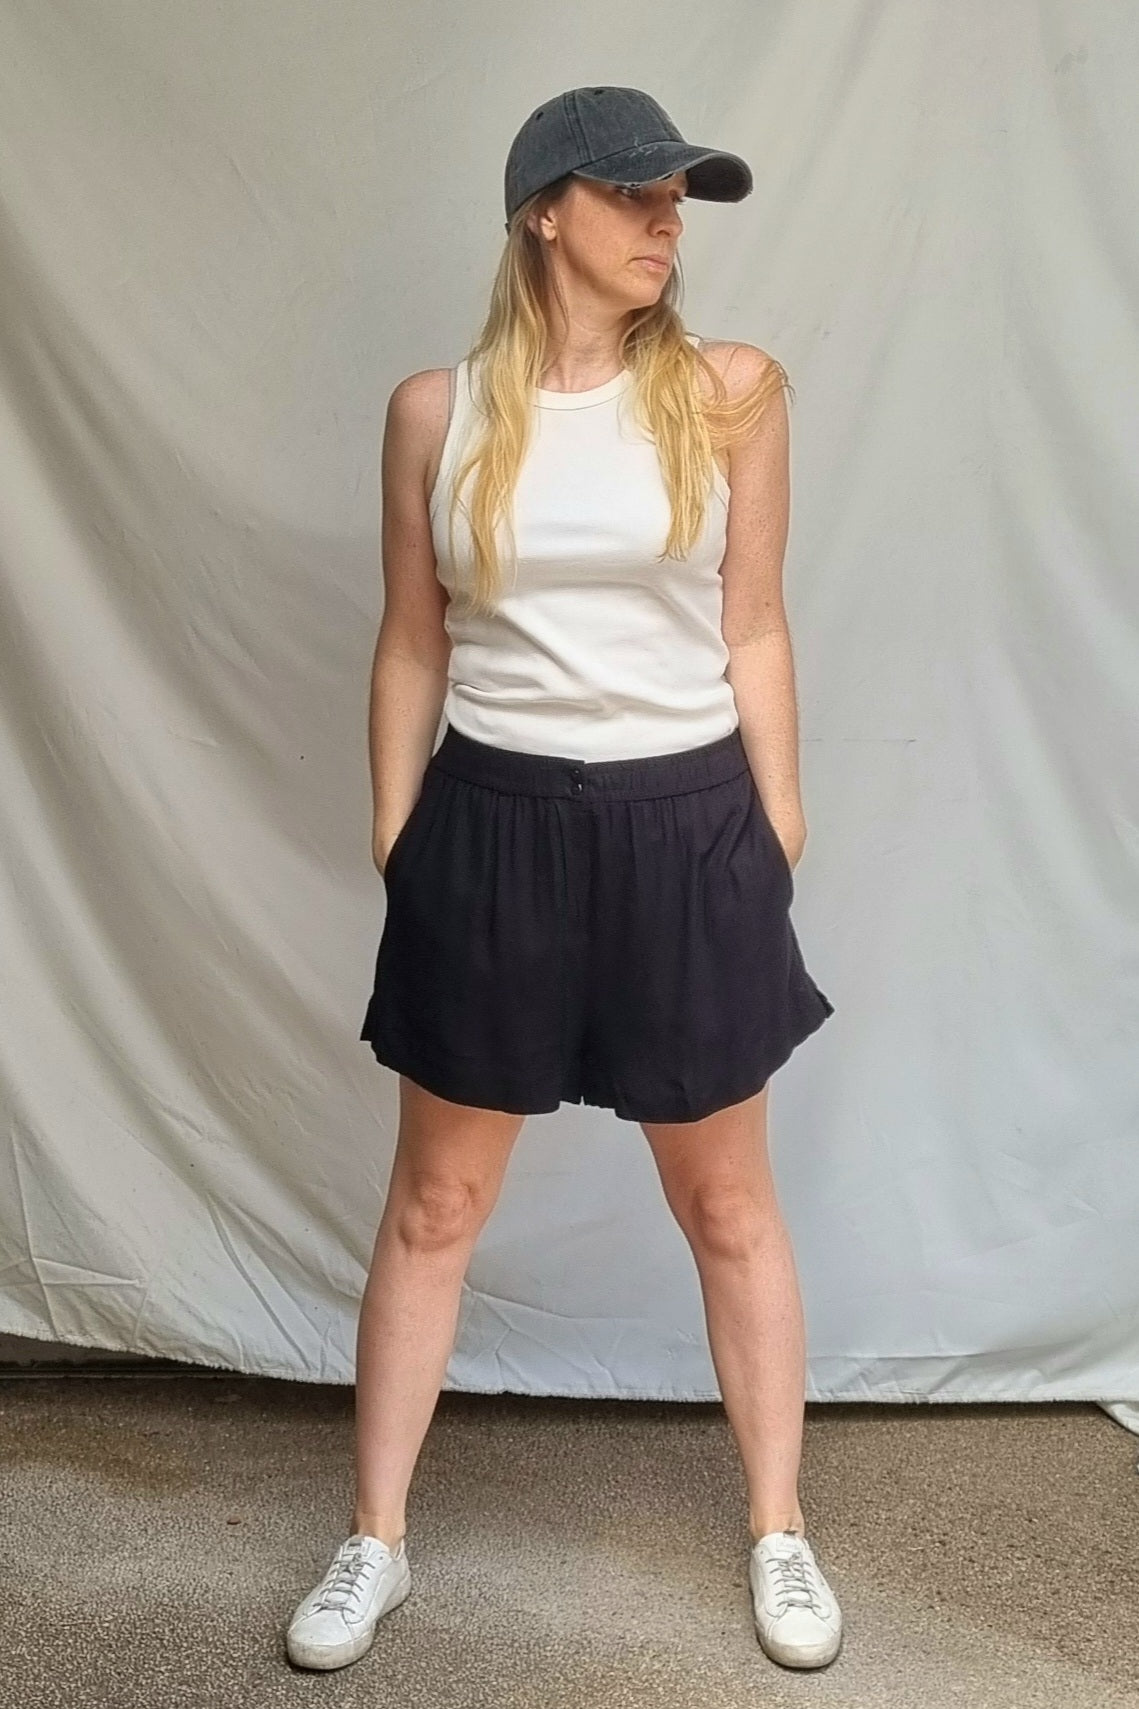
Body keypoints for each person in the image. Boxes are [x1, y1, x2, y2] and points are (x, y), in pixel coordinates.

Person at [286, 85, 842, 1674]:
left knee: (726, 1201)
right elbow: (412, 640)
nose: (668, 220)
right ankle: (376, 1539)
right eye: (634, 193)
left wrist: (776, 824)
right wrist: (402, 834)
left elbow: (754, 620)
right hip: (495, 824)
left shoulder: (731, 392)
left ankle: (780, 1532)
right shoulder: (435, 411)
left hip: (686, 824)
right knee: (437, 1201)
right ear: (544, 210)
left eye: (681, 198)